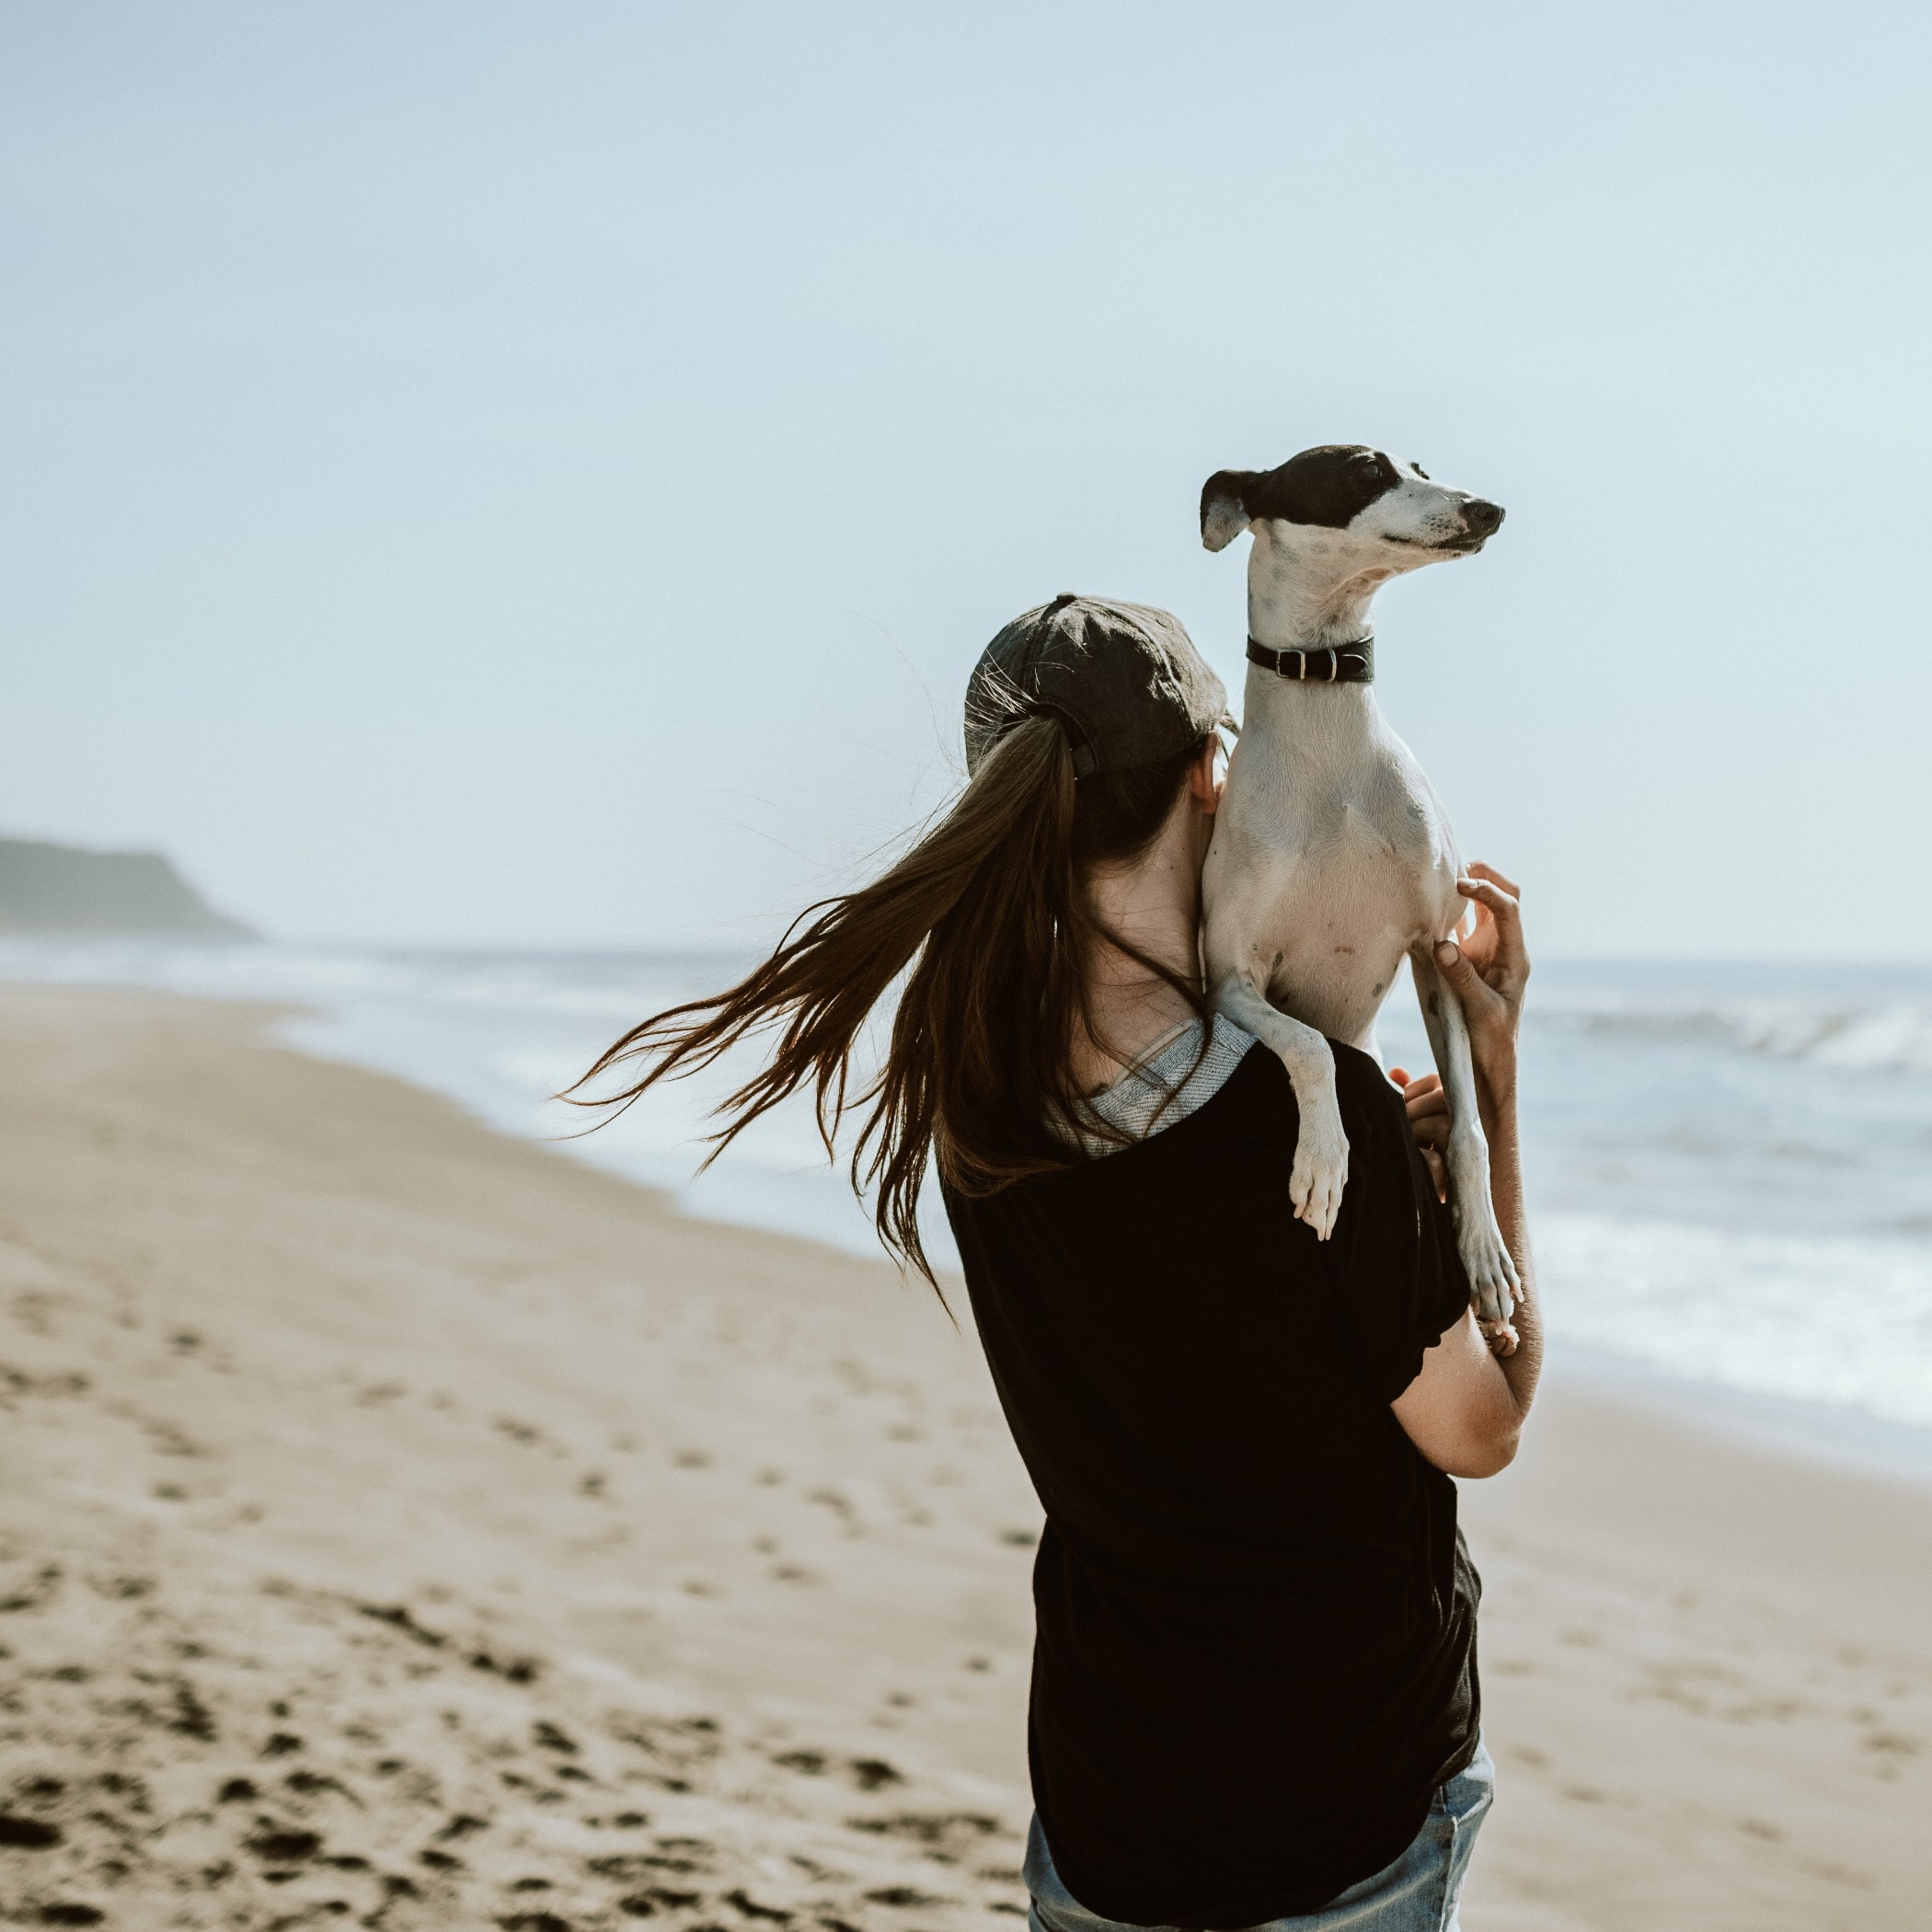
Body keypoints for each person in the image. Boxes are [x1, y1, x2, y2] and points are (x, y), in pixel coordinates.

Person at [573, 595, 1540, 1932]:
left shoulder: (974, 1097)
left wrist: (1395, 1190)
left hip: (1112, 1813)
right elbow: (1482, 1427)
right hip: (1343, 1804)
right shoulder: (1315, 1120)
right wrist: (1488, 1092)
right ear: (1216, 777)